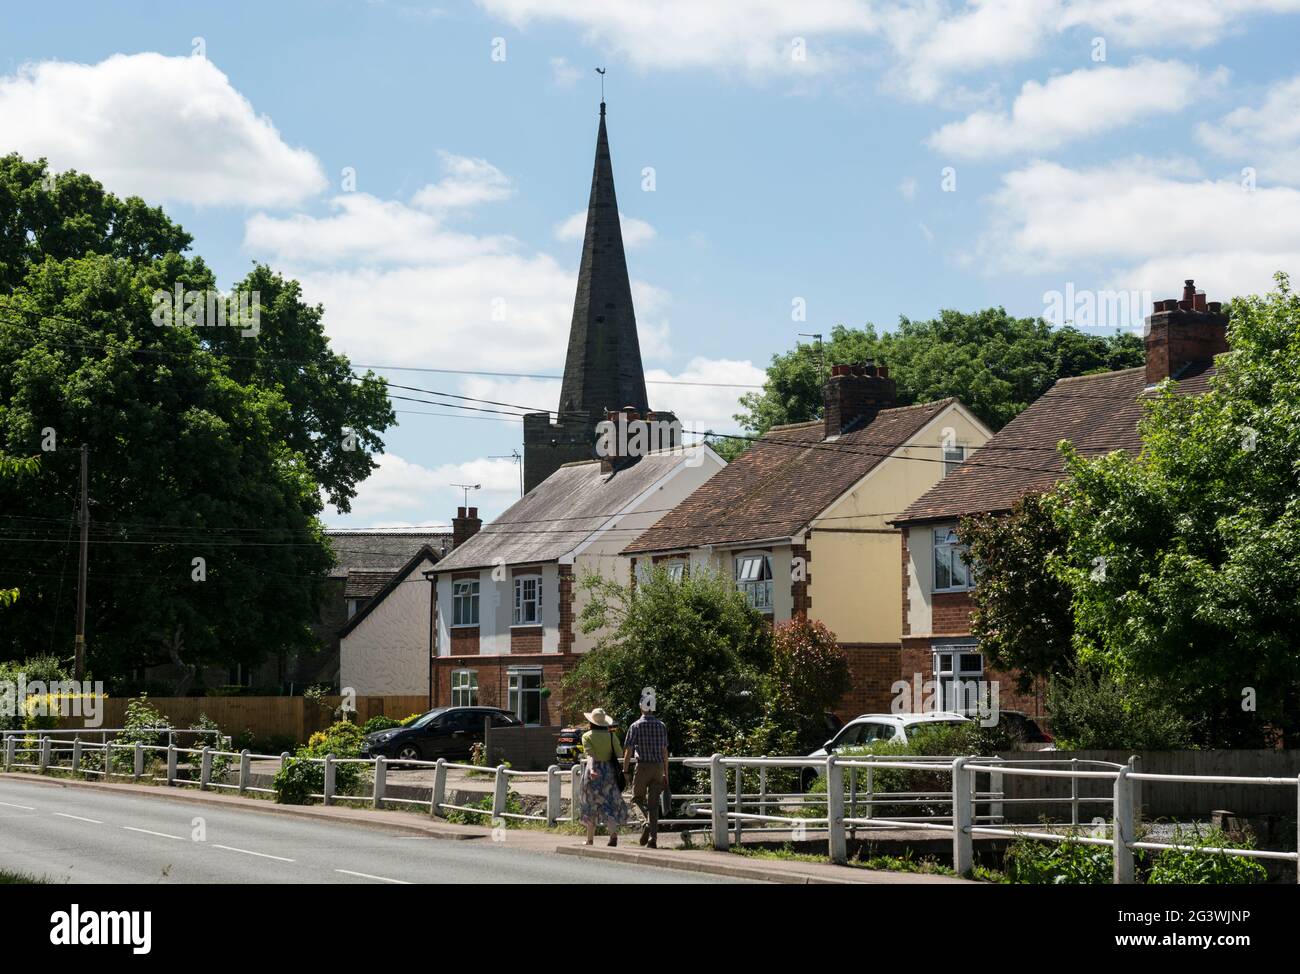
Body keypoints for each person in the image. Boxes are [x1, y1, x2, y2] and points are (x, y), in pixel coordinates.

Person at [623, 687, 669, 848]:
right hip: (658, 767)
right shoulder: (661, 725)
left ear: (641, 706)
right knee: (654, 804)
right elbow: (665, 752)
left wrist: (625, 770)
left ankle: (645, 823)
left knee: (636, 799)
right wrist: (666, 774)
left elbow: (628, 750)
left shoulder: (635, 726)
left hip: (642, 767)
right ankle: (653, 840)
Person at [577, 707, 629, 846]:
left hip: (593, 773)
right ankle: (613, 834)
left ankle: (590, 839)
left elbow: (590, 755)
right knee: (608, 804)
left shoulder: (587, 736)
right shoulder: (612, 736)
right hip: (609, 772)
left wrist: (593, 769)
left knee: (590, 805)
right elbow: (619, 754)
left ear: (591, 722)